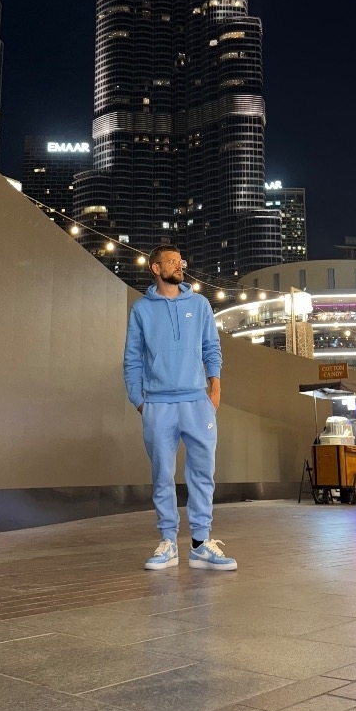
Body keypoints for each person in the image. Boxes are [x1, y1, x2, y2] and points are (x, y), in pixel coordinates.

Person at [123, 245, 237, 572]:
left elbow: (212, 348)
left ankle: (200, 544)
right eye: (172, 261)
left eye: (180, 261)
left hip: (197, 402)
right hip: (157, 404)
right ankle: (168, 543)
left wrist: (214, 389)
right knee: (162, 475)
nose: (179, 265)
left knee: (203, 474)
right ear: (155, 268)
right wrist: (139, 400)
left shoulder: (199, 304)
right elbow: (132, 359)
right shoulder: (141, 309)